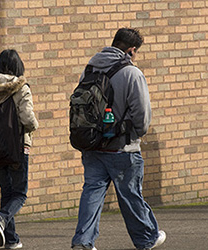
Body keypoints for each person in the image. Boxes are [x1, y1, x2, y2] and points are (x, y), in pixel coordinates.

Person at [71, 28, 166, 250]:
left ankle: (83, 242)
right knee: (130, 195)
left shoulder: (90, 68)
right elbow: (142, 116)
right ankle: (146, 238)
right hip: (122, 148)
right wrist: (135, 134)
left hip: (93, 145)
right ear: (132, 50)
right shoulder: (132, 73)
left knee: (92, 193)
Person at [0, 49, 38, 249]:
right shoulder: (20, 87)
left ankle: (11, 239)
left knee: (7, 191)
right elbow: (27, 119)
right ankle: (1, 218)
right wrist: (35, 126)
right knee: (20, 194)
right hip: (17, 147)